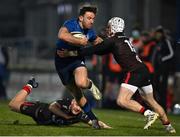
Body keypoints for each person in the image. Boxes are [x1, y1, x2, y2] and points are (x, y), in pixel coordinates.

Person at [57, 17, 176, 133]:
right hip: (143, 70)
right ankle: (168, 126)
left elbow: (92, 50)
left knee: (122, 101)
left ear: (113, 27)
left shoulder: (113, 40)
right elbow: (102, 51)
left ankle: (148, 113)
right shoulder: (123, 39)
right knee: (152, 101)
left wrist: (70, 53)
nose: (108, 30)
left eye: (109, 27)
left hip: (134, 71)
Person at [55, 6, 103, 129]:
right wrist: (79, 42)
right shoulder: (71, 24)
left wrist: (106, 41)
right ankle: (94, 119)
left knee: (81, 83)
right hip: (61, 63)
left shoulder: (90, 32)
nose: (92, 21)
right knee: (77, 95)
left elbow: (99, 41)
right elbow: (61, 35)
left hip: (76, 60)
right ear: (81, 18)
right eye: (89, 18)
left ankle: (89, 84)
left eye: (93, 18)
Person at [8, 77, 111, 128]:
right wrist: (65, 117)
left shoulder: (79, 115)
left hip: (42, 122)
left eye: (80, 107)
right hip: (39, 110)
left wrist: (107, 128)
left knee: (15, 104)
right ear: (72, 102)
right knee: (12, 105)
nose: (78, 108)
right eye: (77, 105)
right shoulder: (65, 103)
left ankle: (30, 85)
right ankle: (30, 84)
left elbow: (94, 122)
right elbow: (52, 107)